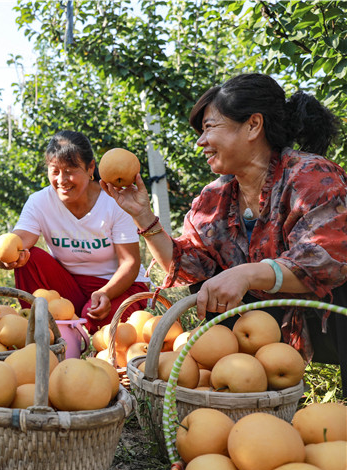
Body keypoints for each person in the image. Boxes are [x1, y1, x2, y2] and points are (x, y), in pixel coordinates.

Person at [101, 73, 347, 386]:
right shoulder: (216, 197)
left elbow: (326, 259)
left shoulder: (311, 176)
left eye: (209, 128)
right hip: (264, 327)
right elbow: (187, 265)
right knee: (209, 284)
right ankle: (244, 391)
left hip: (326, 316)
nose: (200, 142)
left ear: (253, 125)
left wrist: (246, 273)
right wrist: (142, 214)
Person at [0, 130, 151, 333]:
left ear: (90, 168)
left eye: (70, 170)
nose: (62, 180)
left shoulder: (114, 202)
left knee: (95, 327)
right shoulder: (40, 202)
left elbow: (130, 264)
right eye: (55, 171)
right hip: (70, 285)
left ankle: (70, 329)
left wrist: (105, 292)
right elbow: (18, 241)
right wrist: (6, 255)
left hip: (117, 286)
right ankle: (41, 330)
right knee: (29, 257)